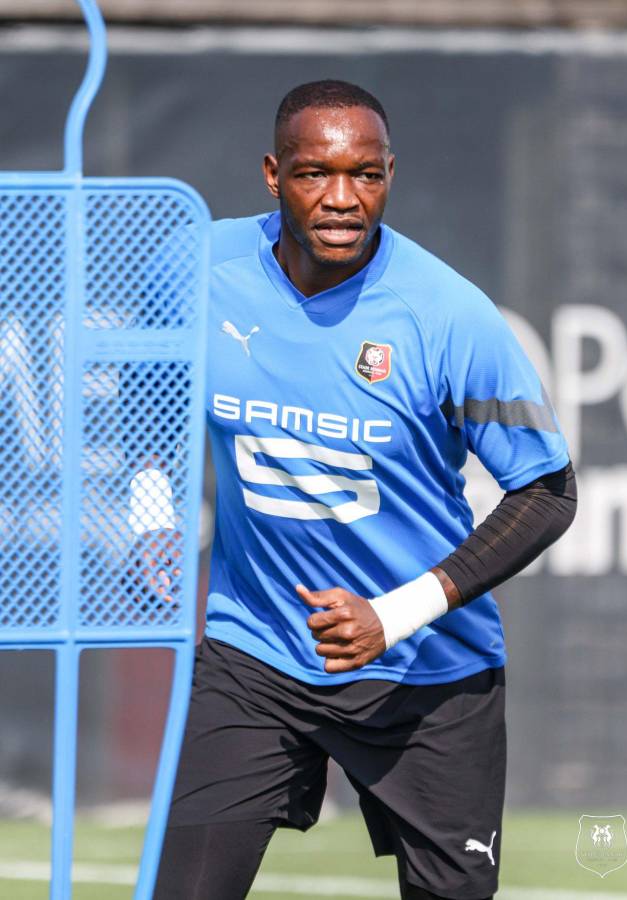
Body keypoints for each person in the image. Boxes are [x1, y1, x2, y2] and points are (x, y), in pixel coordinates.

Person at [151, 79, 577, 900]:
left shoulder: (449, 316)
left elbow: (547, 493)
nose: (343, 199)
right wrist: (148, 516)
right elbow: (147, 396)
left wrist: (394, 614)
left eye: (366, 174)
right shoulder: (196, 266)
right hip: (255, 652)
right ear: (273, 175)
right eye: (315, 173)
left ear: (389, 175)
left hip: (427, 673)